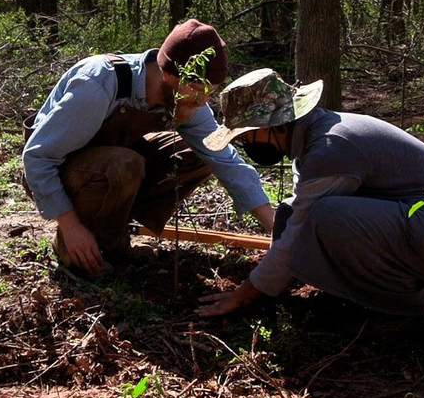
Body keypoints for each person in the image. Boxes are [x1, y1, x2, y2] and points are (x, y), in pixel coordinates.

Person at [195, 69, 424, 320]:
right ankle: (396, 290)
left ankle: (405, 305)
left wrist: (246, 293)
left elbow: (300, 230)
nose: (245, 143)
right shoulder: (317, 136)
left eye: (246, 135)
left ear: (276, 125)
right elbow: (294, 217)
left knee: (325, 215)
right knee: (291, 211)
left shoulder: (330, 148)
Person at [22, 19, 275, 276]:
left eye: (209, 94)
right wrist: (69, 225)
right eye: (197, 91)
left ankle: (114, 227)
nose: (202, 103)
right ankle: (78, 247)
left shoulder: (185, 94)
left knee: (197, 154)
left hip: (109, 171)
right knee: (125, 163)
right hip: (58, 173)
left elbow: (224, 158)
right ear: (168, 75)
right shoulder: (98, 83)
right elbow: (37, 157)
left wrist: (274, 227)